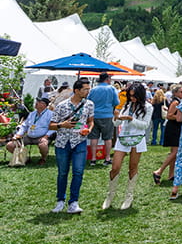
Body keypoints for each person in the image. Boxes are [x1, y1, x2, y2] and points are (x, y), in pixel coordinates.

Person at [102, 83, 152, 210]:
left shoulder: (148, 107)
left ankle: (128, 197)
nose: (132, 98)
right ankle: (110, 196)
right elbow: (116, 123)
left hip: (138, 138)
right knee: (115, 167)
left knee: (133, 167)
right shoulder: (126, 105)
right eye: (130, 96)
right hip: (123, 137)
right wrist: (116, 117)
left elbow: (145, 125)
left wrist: (130, 119)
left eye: (134, 96)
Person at [48, 78, 94, 213]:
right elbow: (51, 125)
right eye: (85, 89)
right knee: (62, 173)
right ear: (76, 90)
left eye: (88, 89)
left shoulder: (89, 104)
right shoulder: (62, 105)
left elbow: (91, 121)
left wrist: (89, 130)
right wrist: (62, 125)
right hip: (63, 142)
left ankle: (74, 202)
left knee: (78, 172)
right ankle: (60, 201)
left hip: (79, 141)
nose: (87, 91)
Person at [152, 84, 182, 184]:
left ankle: (171, 175)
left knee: (174, 153)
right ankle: (159, 171)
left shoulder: (178, 101)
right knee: (175, 152)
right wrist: (180, 117)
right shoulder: (175, 102)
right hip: (173, 128)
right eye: (181, 92)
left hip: (176, 128)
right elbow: (169, 115)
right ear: (175, 93)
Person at [6, 97, 54, 165]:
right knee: (10, 145)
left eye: (39, 102)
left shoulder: (51, 114)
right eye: (36, 102)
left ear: (44, 105)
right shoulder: (32, 114)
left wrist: (46, 136)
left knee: (43, 145)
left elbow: (53, 128)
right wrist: (18, 134)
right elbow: (24, 125)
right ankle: (25, 158)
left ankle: (43, 159)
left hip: (42, 136)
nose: (36, 103)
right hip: (29, 136)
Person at [87, 72, 119, 166]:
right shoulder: (111, 88)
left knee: (94, 137)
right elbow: (116, 102)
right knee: (108, 138)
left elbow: (89, 101)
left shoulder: (94, 89)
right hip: (107, 115)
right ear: (108, 79)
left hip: (94, 115)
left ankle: (93, 158)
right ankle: (107, 158)